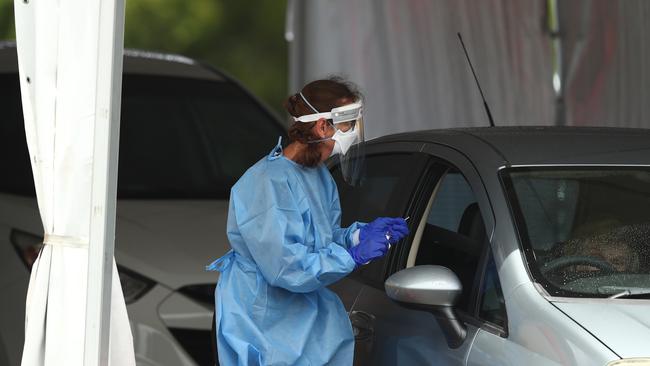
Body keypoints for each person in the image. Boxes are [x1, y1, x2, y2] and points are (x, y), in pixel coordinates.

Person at [207, 78, 409, 366]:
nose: (351, 133)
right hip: (262, 319)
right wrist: (351, 256)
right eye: (347, 124)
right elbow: (287, 266)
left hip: (300, 317)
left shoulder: (319, 176)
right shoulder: (266, 183)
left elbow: (320, 238)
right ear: (322, 126)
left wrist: (357, 236)